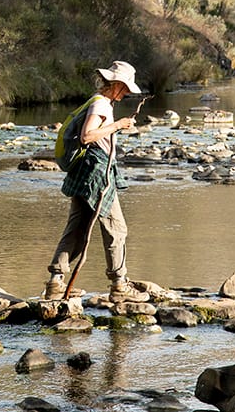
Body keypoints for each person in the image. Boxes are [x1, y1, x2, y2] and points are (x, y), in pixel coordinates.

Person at [44, 61, 150, 303]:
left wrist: (115, 126)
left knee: (76, 229)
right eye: (124, 88)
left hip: (85, 172)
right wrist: (118, 125)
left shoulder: (98, 101)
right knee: (116, 228)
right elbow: (87, 136)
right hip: (96, 175)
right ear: (115, 84)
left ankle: (55, 283)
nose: (126, 93)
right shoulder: (101, 104)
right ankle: (119, 285)